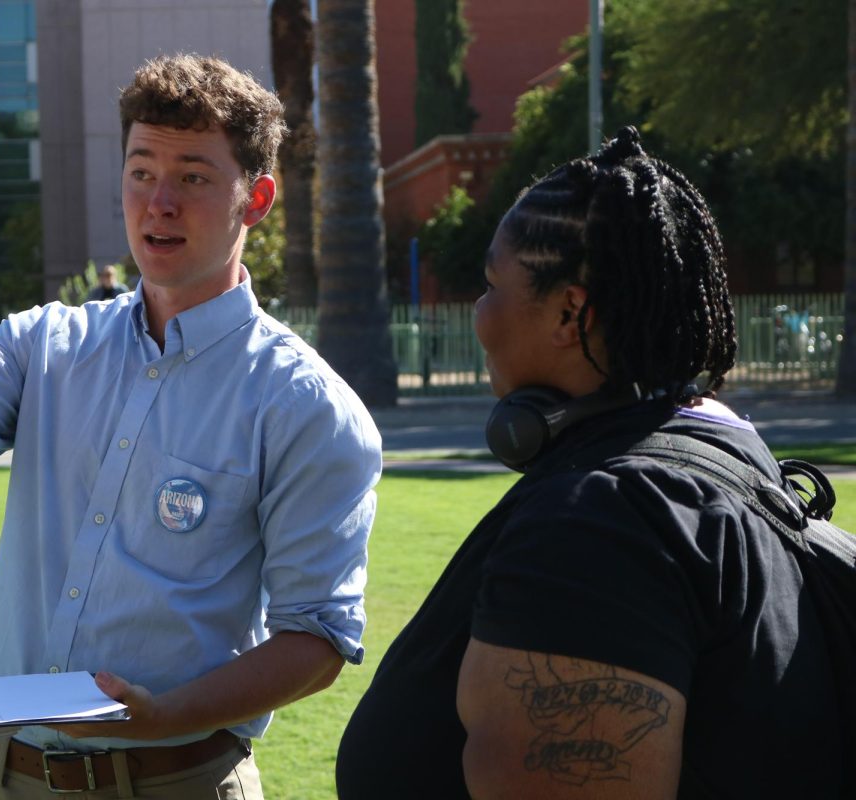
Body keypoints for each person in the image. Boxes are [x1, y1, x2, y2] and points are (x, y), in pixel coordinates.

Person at [0, 53, 381, 799]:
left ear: (257, 199)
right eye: (141, 171)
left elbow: (317, 638)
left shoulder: (307, 405)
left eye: (193, 176)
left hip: (175, 780)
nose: (159, 202)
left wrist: (161, 717)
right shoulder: (46, 344)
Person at [335, 127, 845, 799]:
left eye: (491, 285)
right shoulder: (737, 468)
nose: (478, 312)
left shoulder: (595, 529)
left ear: (570, 313)